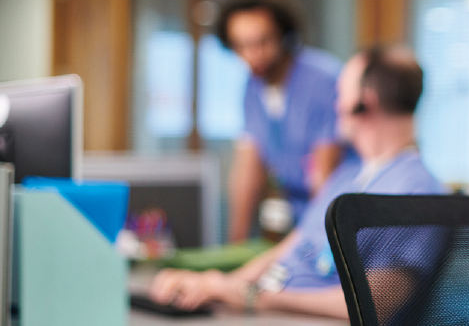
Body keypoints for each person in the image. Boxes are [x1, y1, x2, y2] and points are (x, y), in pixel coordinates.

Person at [149, 45, 445, 318]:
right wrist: (214, 285)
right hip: (266, 312)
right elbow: (290, 247)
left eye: (341, 93)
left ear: (364, 102)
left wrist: (256, 298)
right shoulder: (349, 174)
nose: (335, 104)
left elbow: (375, 304)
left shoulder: (415, 191)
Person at [215, 0, 343, 243]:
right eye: (240, 46)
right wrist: (235, 245)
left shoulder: (321, 80)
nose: (253, 55)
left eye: (262, 42)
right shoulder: (251, 88)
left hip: (331, 217)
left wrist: (308, 246)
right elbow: (247, 168)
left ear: (285, 36)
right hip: (295, 217)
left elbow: (323, 176)